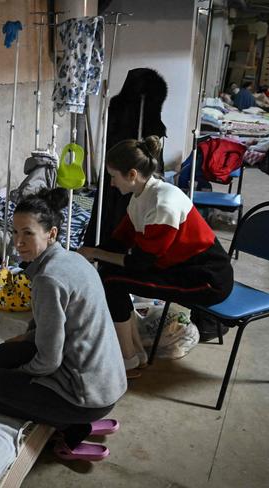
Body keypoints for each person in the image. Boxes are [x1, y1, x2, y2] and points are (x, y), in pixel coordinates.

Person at [0, 188, 127, 462]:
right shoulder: (75, 259)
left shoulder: (48, 280)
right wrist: (25, 339)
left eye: (28, 233)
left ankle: (72, 428)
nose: (18, 242)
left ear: (51, 234)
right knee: (2, 354)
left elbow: (49, 361)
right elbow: (52, 324)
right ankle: (77, 417)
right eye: (15, 232)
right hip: (108, 382)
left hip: (86, 396)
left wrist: (24, 374)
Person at [79, 137, 234, 375]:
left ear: (131, 174)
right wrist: (85, 254)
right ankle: (136, 352)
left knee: (113, 282)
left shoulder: (163, 205)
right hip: (180, 267)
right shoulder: (141, 195)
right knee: (108, 273)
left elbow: (139, 263)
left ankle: (127, 358)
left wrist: (94, 253)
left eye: (113, 176)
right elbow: (119, 242)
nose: (110, 183)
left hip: (207, 280)